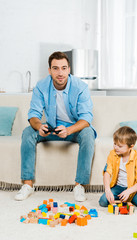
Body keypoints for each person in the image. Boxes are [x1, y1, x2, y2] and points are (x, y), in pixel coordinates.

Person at [15, 51, 96, 202]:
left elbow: (86, 119)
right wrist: (39, 126)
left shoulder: (81, 87)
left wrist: (69, 130)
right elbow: (33, 114)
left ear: (69, 70)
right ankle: (27, 185)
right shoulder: (41, 86)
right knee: (28, 132)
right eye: (56, 68)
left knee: (88, 133)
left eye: (64, 68)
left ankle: (79, 186)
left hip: (73, 129)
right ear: (49, 70)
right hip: (51, 128)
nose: (60, 73)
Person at [99, 126, 137, 211]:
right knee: (103, 201)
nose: (116, 147)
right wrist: (107, 190)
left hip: (134, 189)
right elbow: (107, 173)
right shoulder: (112, 154)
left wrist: (128, 191)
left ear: (131, 147)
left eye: (120, 146)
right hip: (118, 187)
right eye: (115, 144)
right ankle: (128, 199)